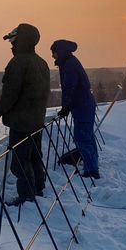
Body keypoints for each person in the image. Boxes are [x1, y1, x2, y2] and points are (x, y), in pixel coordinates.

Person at [0, 23, 50, 206]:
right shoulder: (41, 62)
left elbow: (10, 94)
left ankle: (27, 198)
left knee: (21, 163)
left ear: (22, 41)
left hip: (22, 123)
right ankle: (38, 189)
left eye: (14, 41)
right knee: (34, 157)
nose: (11, 45)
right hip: (36, 120)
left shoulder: (19, 63)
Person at [50, 39, 100, 179]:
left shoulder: (69, 65)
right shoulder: (69, 62)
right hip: (83, 105)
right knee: (88, 138)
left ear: (59, 52)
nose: (52, 56)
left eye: (53, 53)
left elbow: (69, 87)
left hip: (82, 106)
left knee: (82, 139)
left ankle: (91, 171)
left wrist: (66, 107)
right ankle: (92, 167)